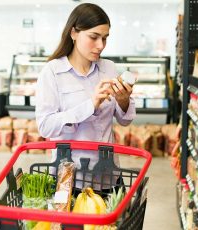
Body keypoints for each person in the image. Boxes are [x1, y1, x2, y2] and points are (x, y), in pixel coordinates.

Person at [35, 3, 136, 191]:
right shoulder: (52, 72)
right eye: (94, 37)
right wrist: (90, 105)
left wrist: (123, 100)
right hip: (71, 178)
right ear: (73, 33)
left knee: (111, 220)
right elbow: (45, 127)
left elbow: (125, 120)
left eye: (105, 38)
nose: (101, 45)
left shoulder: (109, 68)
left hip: (108, 174)